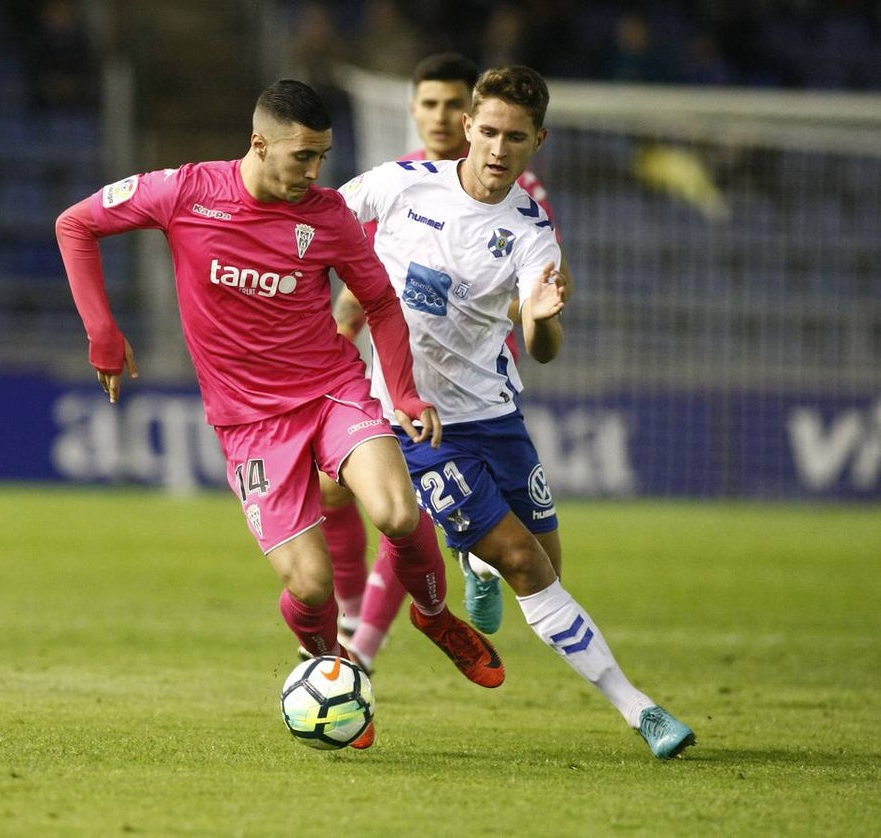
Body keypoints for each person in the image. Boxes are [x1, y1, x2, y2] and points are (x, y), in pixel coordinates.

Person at [54, 78, 507, 752]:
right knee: (311, 584)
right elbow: (76, 223)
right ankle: (331, 667)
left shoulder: (326, 216)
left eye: (323, 156)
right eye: (303, 157)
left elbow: (379, 302)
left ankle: (435, 616)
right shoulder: (186, 192)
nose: (315, 172)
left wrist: (405, 394)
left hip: (332, 392)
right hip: (249, 426)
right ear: (259, 143)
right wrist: (104, 334)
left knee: (398, 513)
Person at [337, 65, 695, 758]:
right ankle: (642, 711)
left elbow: (545, 346)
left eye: (517, 138)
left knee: (549, 570)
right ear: (468, 128)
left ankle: (473, 566)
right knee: (525, 564)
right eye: (490, 132)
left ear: (539, 142)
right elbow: (320, 222)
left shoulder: (531, 233)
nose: (499, 149)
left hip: (495, 414)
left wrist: (540, 319)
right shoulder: (398, 184)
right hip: (418, 422)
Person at [316, 53, 573, 673]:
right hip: (400, 378)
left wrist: (529, 310)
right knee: (345, 494)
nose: (439, 117)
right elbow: (374, 262)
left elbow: (517, 292)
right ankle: (364, 631)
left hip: (479, 383)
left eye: (449, 104)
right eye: (428, 105)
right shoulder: (404, 180)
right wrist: (343, 320)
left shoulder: (522, 199)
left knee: (436, 523)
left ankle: (381, 634)